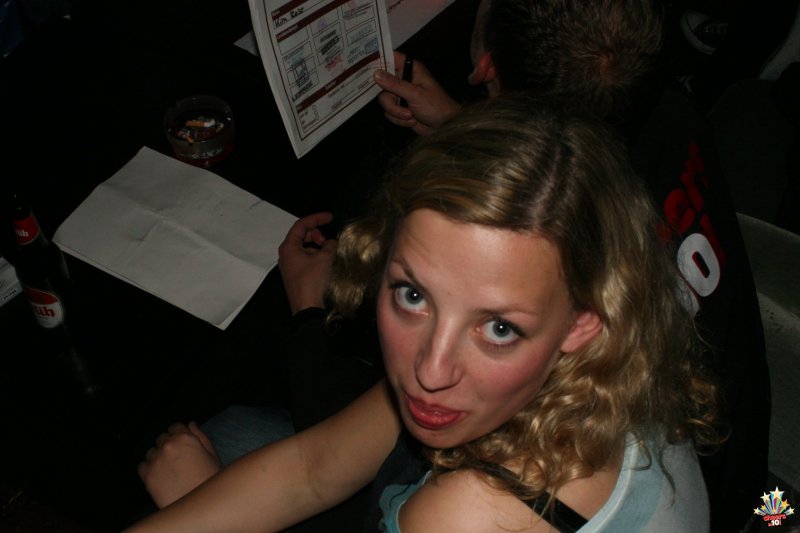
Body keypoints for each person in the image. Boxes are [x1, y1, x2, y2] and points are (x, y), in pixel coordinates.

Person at [127, 96, 723, 532]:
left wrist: (196, 499)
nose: (429, 371)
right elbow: (315, 468)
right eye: (413, 295)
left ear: (581, 324)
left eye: (499, 328)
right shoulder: (611, 355)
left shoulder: (469, 515)